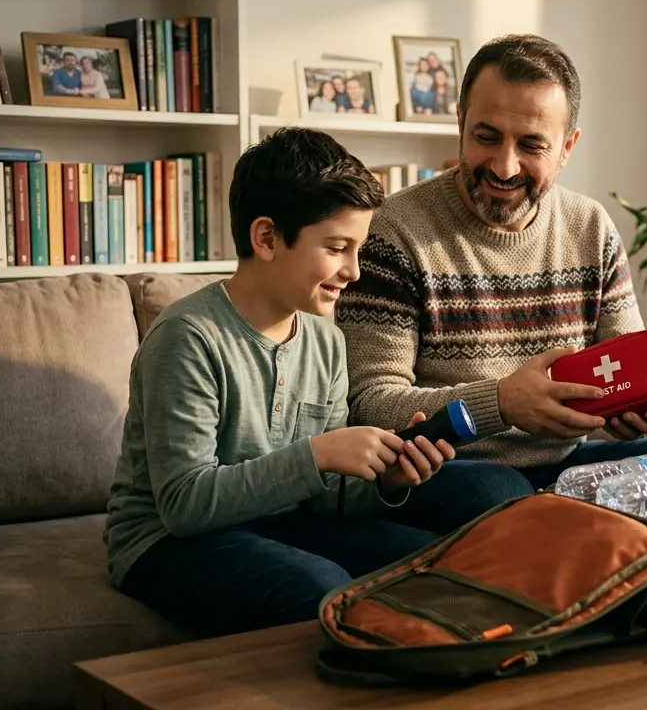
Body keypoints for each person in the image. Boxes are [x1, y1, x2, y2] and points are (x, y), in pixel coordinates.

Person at [104, 127, 473, 638]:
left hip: (278, 521)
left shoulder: (326, 341)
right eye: (337, 248)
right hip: (163, 540)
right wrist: (318, 454)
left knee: (434, 565)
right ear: (267, 238)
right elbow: (185, 505)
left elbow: (323, 498)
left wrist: (389, 480)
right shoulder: (187, 338)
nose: (353, 270)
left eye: (358, 249)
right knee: (317, 587)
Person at [336, 33, 647, 503]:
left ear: (567, 147)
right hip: (456, 468)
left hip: (565, 464)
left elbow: (621, 366)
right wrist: (500, 404)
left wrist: (631, 409)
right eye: (486, 137)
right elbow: (370, 405)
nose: (504, 166)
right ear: (459, 123)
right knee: (501, 492)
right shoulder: (394, 232)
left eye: (531, 145)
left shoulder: (590, 228)